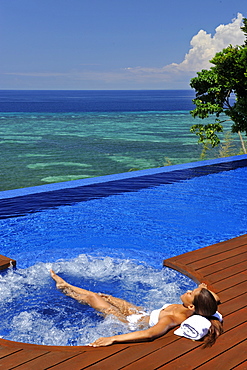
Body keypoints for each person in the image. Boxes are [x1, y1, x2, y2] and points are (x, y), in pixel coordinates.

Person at [50, 270, 223, 348]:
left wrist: (114, 339)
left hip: (128, 324)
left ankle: (64, 288)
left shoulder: (172, 319)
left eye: (191, 293)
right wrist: (203, 291)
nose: (187, 291)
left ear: (191, 306)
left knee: (94, 299)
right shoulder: (195, 308)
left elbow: (149, 334)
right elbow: (216, 300)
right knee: (105, 297)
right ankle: (66, 285)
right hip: (140, 313)